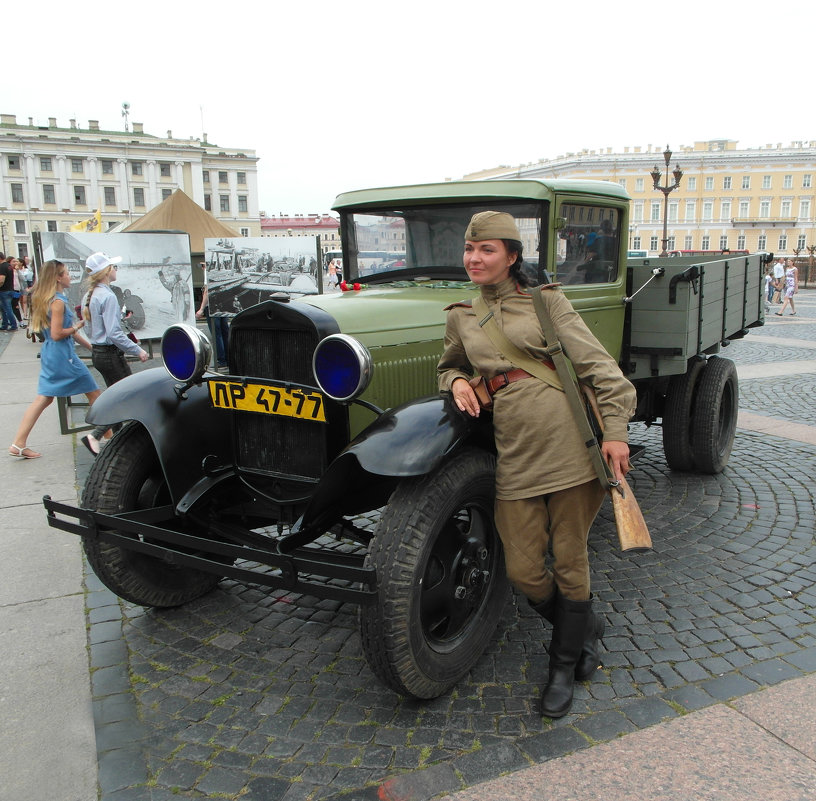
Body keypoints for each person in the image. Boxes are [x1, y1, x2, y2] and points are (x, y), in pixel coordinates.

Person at [437, 211, 636, 719]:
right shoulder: (461, 314)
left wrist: (614, 433)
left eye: (487, 250)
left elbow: (601, 370)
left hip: (571, 448)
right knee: (525, 571)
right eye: (469, 250)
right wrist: (458, 382)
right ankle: (584, 626)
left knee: (569, 561)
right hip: (517, 455)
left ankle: (562, 665)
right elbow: (452, 365)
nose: (475, 259)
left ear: (512, 256)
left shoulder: (547, 302)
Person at [9, 260, 101, 459]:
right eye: (66, 273)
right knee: (94, 393)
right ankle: (105, 436)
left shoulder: (48, 299)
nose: (69, 276)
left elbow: (59, 333)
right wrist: (78, 325)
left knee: (44, 397)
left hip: (53, 352)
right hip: (62, 355)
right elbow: (59, 333)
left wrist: (90, 347)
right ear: (58, 278)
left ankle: (19, 443)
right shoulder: (58, 302)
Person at [81, 252, 149, 456]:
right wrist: (137, 350)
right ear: (106, 271)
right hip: (110, 354)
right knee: (126, 397)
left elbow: (96, 328)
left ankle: (117, 447)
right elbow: (114, 333)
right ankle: (96, 434)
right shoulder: (107, 296)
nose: (116, 270)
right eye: (114, 267)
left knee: (117, 396)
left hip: (100, 353)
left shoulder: (92, 294)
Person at [195, 262, 229, 368]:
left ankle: (221, 360)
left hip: (212, 306)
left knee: (216, 333)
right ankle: (229, 358)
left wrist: (201, 309)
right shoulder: (220, 272)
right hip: (222, 305)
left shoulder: (207, 273)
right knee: (225, 332)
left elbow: (206, 292)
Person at [0, 253, 17, 331]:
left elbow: (1, 280)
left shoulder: (2, 267)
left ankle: (13, 325)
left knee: (7, 309)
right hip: (10, 289)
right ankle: (5, 324)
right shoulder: (9, 266)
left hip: (4, 291)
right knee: (4, 309)